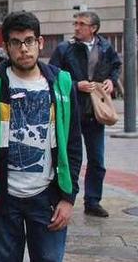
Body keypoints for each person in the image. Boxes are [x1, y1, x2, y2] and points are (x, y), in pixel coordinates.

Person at [0, 11, 82, 262]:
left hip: (47, 196)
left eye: (29, 41)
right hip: (1, 198)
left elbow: (72, 142)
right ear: (6, 47)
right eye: (16, 42)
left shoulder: (61, 83)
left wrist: (68, 197)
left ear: (40, 42)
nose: (23, 49)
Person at [50, 11, 121, 217]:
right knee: (65, 157)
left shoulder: (106, 47)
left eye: (82, 24)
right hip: (71, 111)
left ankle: (92, 201)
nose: (77, 27)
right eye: (76, 23)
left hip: (94, 112)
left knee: (97, 160)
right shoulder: (65, 48)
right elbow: (52, 76)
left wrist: (111, 80)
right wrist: (75, 85)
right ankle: (61, 197)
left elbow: (116, 65)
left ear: (94, 29)